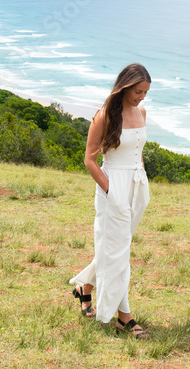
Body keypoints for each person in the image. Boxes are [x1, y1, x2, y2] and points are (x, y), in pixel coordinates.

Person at [69, 63, 151, 338]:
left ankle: (85, 288)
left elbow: (138, 150)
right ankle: (124, 317)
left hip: (136, 187)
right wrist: (110, 190)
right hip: (112, 187)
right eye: (138, 91)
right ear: (125, 86)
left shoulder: (141, 112)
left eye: (145, 93)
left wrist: (140, 178)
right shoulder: (104, 116)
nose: (141, 97)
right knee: (119, 253)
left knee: (116, 248)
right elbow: (89, 160)